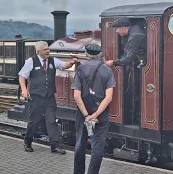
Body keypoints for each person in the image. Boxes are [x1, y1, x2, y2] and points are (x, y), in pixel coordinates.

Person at [18, 40, 78, 154]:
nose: (48, 51)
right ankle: (27, 142)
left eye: (48, 49)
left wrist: (72, 62)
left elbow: (64, 65)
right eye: (45, 50)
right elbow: (22, 76)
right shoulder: (31, 61)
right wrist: (24, 90)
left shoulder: (52, 60)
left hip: (49, 98)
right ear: (38, 51)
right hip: (36, 97)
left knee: (51, 121)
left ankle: (55, 146)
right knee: (33, 121)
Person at [72, 44, 115, 174]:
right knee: (98, 147)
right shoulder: (107, 71)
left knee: (80, 143)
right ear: (100, 54)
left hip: (83, 113)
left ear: (87, 54)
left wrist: (86, 115)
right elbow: (108, 97)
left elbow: (76, 96)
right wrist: (95, 114)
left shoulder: (80, 70)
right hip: (100, 113)